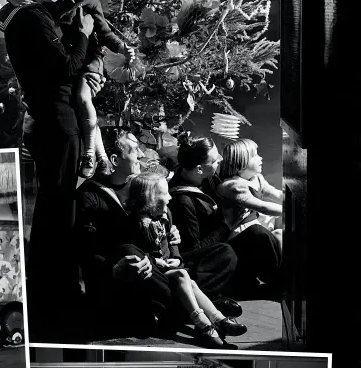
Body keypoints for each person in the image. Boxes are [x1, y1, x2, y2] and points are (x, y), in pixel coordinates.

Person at [0, 0, 101, 341]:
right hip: (58, 125)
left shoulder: (25, 13)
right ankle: (54, 297)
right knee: (59, 211)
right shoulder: (33, 20)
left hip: (51, 123)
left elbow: (19, 20)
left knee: (54, 209)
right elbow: (66, 67)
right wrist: (85, 36)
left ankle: (48, 291)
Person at [75, 126, 242, 343]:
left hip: (159, 263)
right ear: (115, 160)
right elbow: (86, 251)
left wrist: (172, 236)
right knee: (131, 251)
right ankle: (202, 308)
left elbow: (163, 218)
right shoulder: (89, 197)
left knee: (223, 253)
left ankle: (181, 306)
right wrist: (114, 270)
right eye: (134, 151)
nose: (142, 155)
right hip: (130, 270)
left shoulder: (141, 184)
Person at [4, 0, 135, 178]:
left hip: (90, 60)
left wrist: (122, 47)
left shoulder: (90, 1)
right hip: (69, 65)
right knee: (80, 102)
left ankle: (95, 154)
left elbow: (104, 31)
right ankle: (96, 155)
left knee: (84, 99)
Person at [125, 172, 247, 348]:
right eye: (164, 194)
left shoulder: (165, 215)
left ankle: (219, 319)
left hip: (170, 266)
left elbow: (171, 243)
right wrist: (158, 262)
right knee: (183, 276)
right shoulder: (138, 224)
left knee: (191, 281)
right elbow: (139, 251)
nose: (169, 197)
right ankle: (204, 324)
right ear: (150, 199)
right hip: (157, 273)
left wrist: (176, 257)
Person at [168, 136, 282, 300]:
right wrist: (227, 225)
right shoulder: (183, 201)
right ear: (199, 169)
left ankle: (281, 280)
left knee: (273, 233)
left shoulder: (208, 177)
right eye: (215, 160)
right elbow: (193, 249)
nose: (221, 159)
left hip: (227, 238)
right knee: (258, 234)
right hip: (212, 257)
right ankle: (277, 286)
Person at [217, 138, 283, 252]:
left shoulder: (256, 178)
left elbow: (274, 193)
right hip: (243, 232)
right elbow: (263, 207)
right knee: (278, 234)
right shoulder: (233, 186)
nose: (260, 158)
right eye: (255, 155)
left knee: (280, 232)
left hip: (257, 223)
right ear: (240, 162)